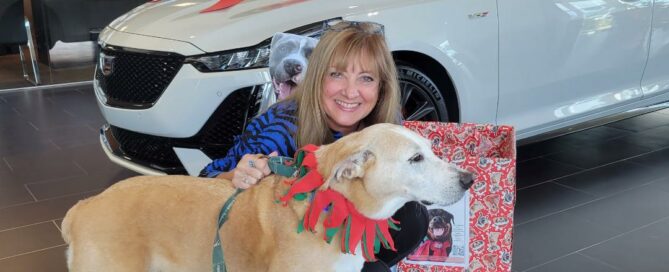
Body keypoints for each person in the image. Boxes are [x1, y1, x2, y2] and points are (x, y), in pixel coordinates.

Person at [200, 20, 427, 271]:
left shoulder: (386, 125)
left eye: (366, 78)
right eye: (337, 74)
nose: (351, 92)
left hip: (344, 241)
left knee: (411, 218)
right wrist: (234, 176)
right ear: (318, 77)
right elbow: (205, 181)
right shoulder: (280, 125)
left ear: (381, 87)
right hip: (284, 249)